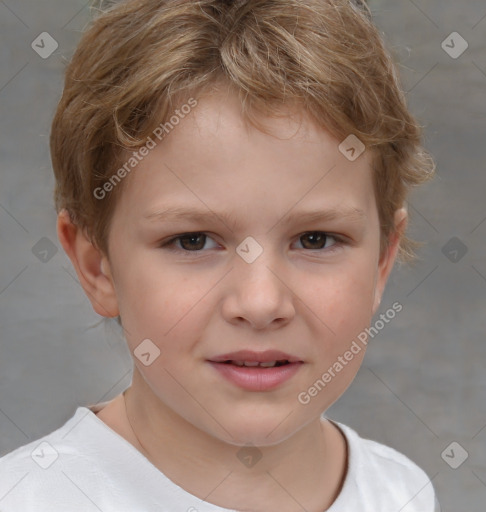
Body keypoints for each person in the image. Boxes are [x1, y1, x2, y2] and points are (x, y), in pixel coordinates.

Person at [0, 0, 440, 510]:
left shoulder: (402, 492)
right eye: (193, 241)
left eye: (315, 239)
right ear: (98, 267)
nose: (260, 303)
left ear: (382, 262)